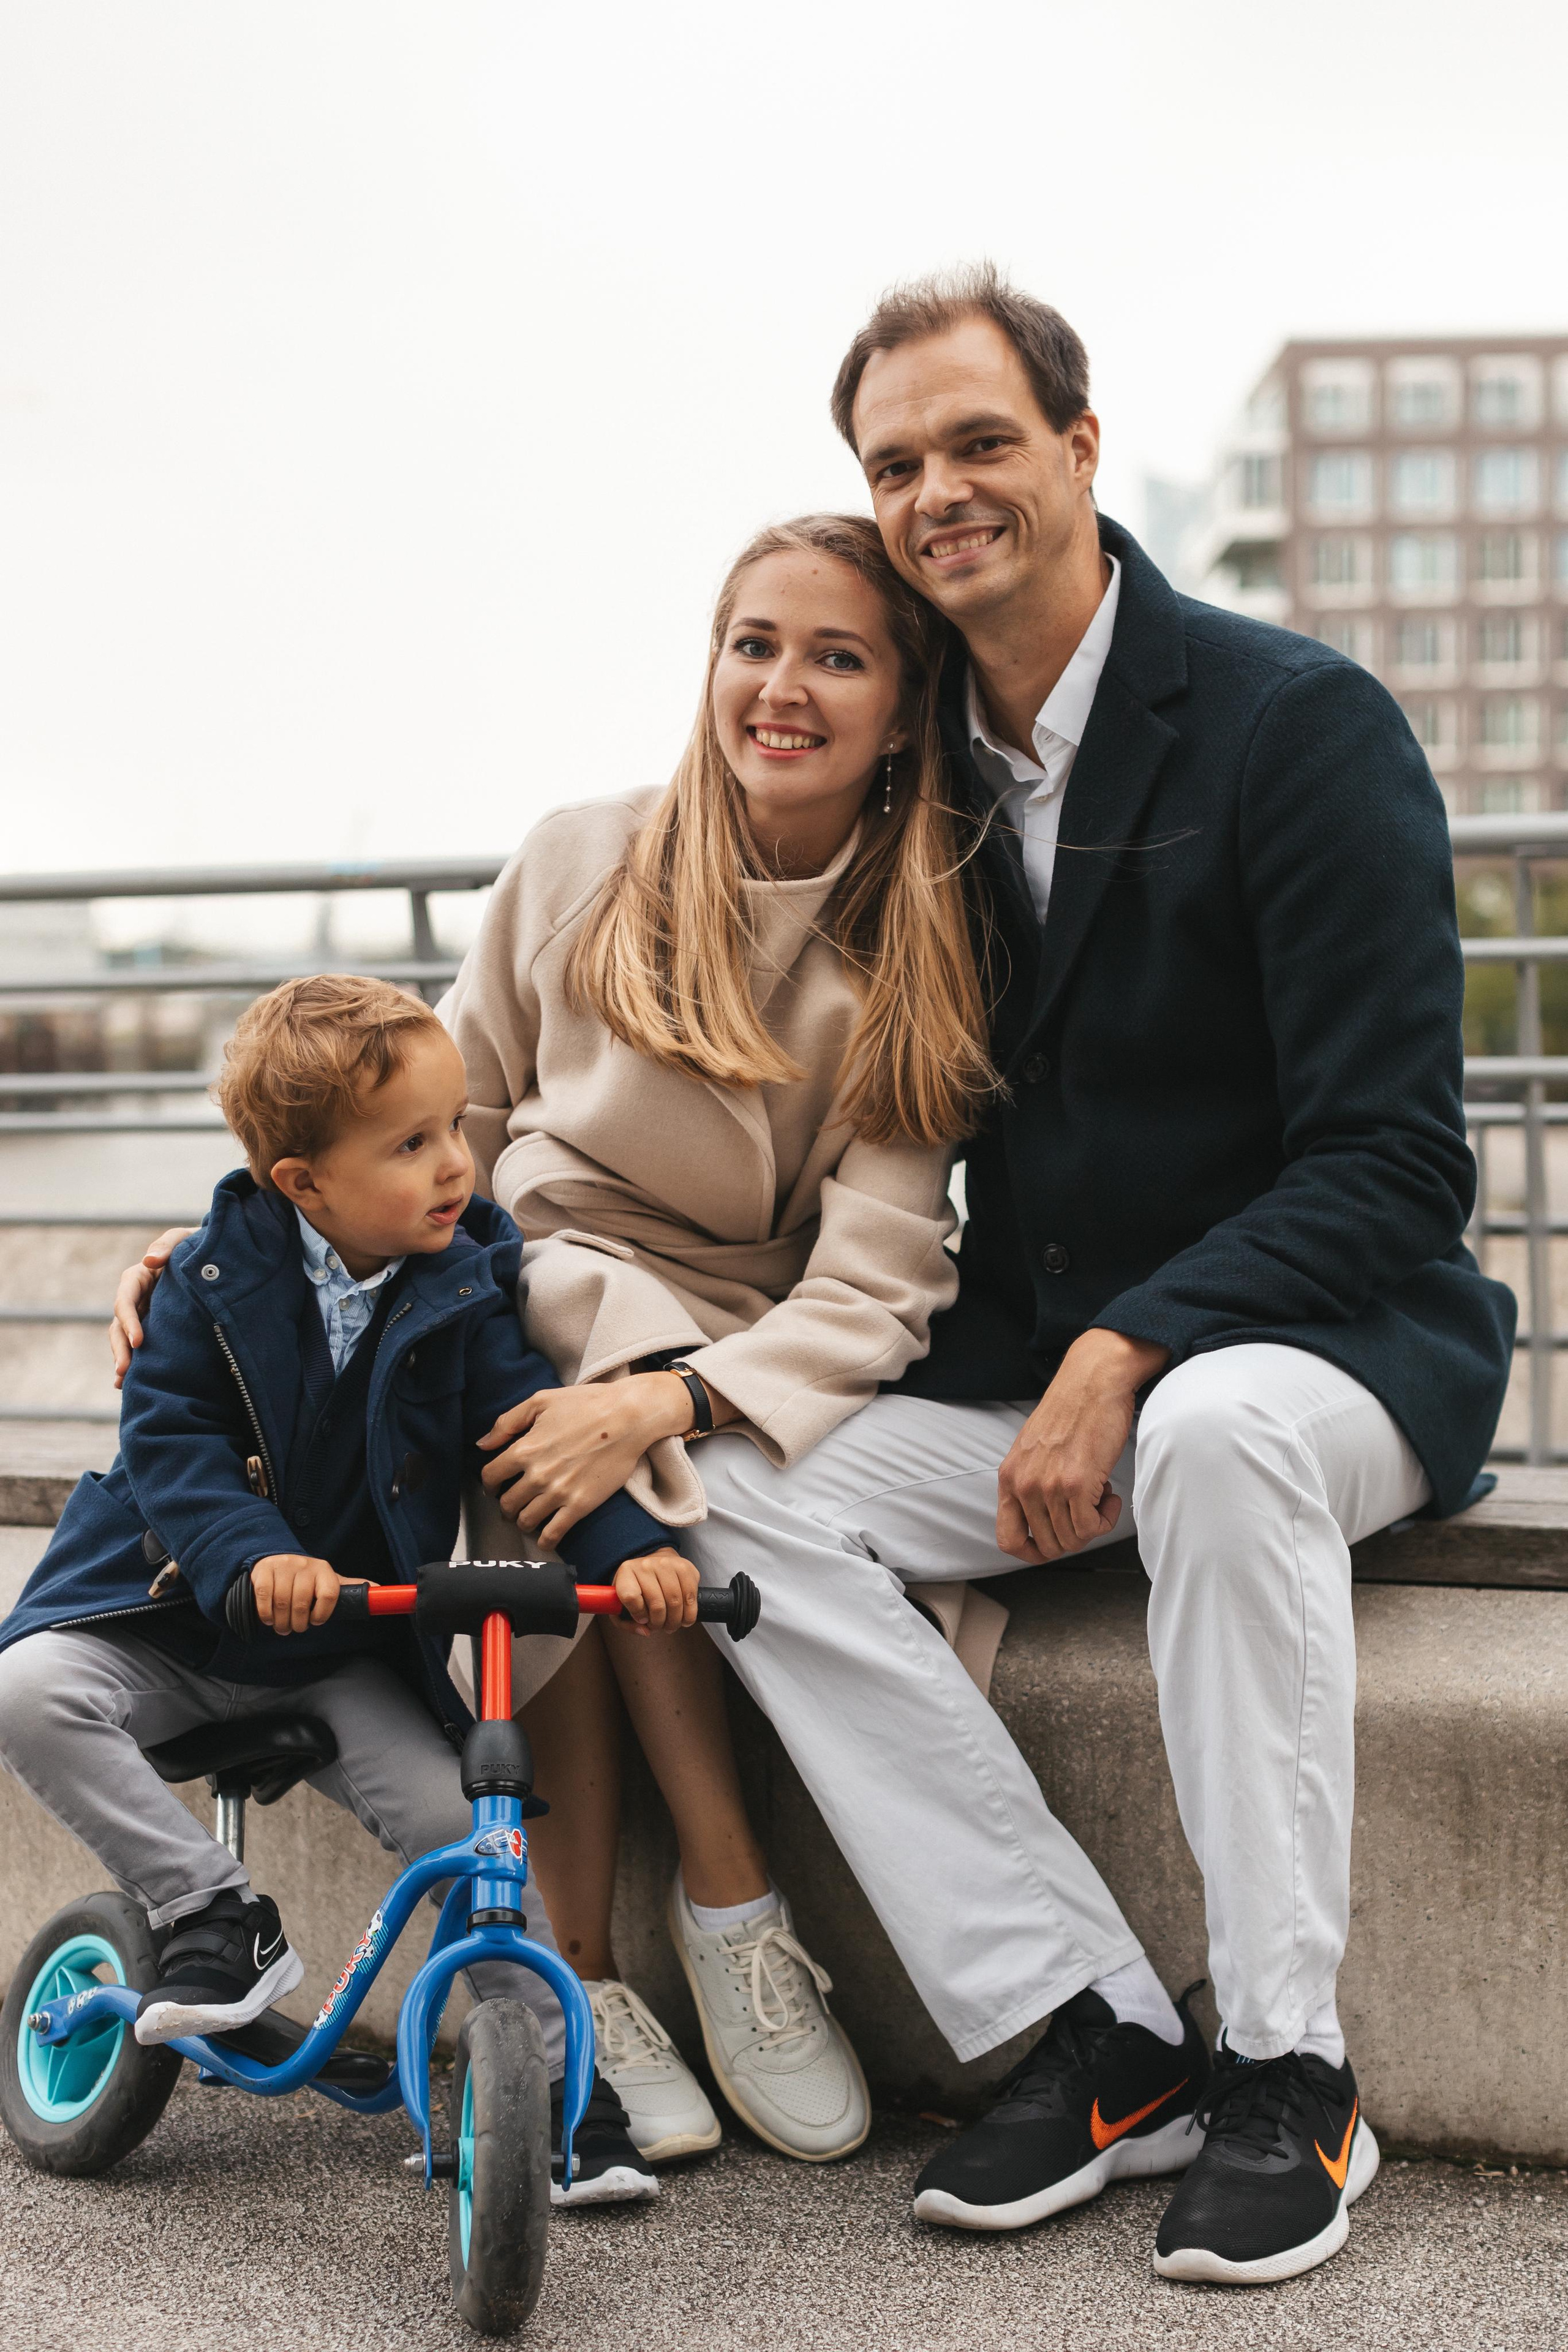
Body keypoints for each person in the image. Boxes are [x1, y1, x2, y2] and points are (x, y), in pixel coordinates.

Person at [658, 266, 1516, 2286]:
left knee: (1218, 1433)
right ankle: (1100, 2027)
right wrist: (280, 1211)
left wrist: (1137, 1342)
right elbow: (694, 893)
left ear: (1079, 445)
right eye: (895, 464)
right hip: (1049, 1371)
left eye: (976, 441)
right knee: (739, 1494)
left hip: (1332, 1361)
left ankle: (1290, 2072)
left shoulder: (1296, 728)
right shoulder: (922, 756)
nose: (938, 490)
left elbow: (1397, 1159)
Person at [108, 514, 995, 2171]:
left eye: (838, 656)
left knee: (588, 1411)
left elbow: (875, 1281)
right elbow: (420, 1126)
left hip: (740, 1329)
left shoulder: (916, 939)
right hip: (506, 1274)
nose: (781, 688)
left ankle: (618, 1950)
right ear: (712, 660)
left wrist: (669, 1394)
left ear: (903, 704)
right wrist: (231, 1247)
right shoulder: (582, 857)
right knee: (535, 1361)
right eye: (754, 643)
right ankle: (693, 1913)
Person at [3, 974, 703, 2207]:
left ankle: (556, 2097)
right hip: (167, 1613)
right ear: (303, 1185)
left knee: (467, 1835)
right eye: (410, 1145)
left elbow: (522, 1436)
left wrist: (629, 1552)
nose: (453, 1166)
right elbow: (172, 1447)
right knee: (27, 1688)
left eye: (455, 1130)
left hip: (339, 1646)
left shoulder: (466, 1286)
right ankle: (212, 1911)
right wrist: (248, 1554)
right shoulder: (208, 1286)